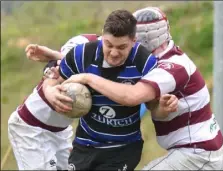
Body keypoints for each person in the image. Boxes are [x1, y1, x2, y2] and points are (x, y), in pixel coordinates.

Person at [61, 7, 223, 170]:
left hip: (198, 152)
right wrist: (56, 59)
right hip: (193, 150)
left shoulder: (169, 67)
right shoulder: (153, 58)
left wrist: (87, 78)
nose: (116, 52)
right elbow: (100, 41)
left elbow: (131, 96)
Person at [41, 9, 178, 170]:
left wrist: (163, 107)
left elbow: (153, 107)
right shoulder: (83, 54)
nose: (113, 52)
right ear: (102, 36)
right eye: (109, 44)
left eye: (121, 47)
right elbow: (52, 79)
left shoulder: (144, 62)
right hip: (85, 144)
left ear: (134, 41)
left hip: (123, 148)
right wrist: (50, 93)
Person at [7, 36, 96, 170]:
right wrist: (48, 89)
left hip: (61, 132)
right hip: (30, 128)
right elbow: (58, 66)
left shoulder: (130, 59)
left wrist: (54, 54)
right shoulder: (84, 41)